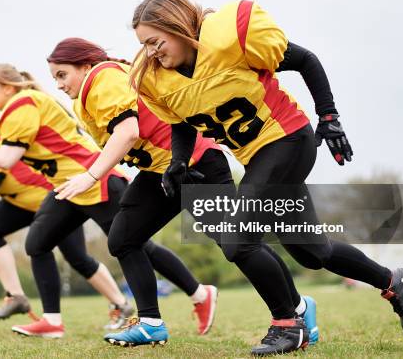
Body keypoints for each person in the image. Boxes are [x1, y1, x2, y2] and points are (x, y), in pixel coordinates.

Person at [130, 0, 403, 355]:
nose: (151, 52)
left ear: (179, 25)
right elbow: (182, 123)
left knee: (236, 237)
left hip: (288, 140)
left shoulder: (226, 41)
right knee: (314, 253)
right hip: (256, 158)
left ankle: (288, 324)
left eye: (155, 41)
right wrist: (177, 162)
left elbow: (306, 60)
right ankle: (395, 282)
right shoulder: (160, 79)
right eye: (144, 45)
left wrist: (329, 116)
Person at [47, 37, 318, 349]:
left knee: (238, 245)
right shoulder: (92, 89)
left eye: (62, 74)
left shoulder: (102, 77)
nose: (58, 84)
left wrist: (91, 175)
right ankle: (150, 323)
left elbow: (128, 131)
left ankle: (295, 311)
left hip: (195, 163)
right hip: (162, 173)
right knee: (123, 238)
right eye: (55, 77)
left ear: (85, 66)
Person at [0, 64, 218, 339]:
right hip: (69, 187)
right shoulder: (17, 107)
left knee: (138, 245)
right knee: (38, 243)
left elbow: (7, 160)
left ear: (8, 87)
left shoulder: (22, 104)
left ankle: (200, 294)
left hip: (94, 181)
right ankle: (52, 322)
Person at [0, 95, 134, 329]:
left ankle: (120, 303)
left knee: (78, 257)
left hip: (48, 197)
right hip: (22, 199)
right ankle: (16, 297)